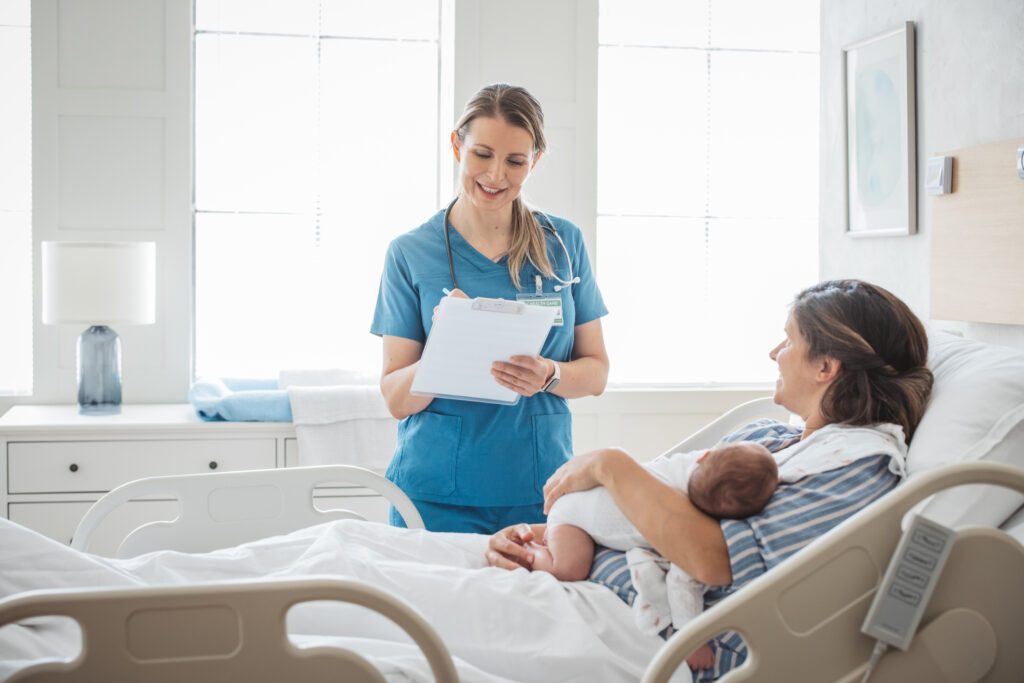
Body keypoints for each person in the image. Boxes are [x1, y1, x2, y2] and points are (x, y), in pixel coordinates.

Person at [486, 279, 934, 679]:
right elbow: (646, 513)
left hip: (645, 636)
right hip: (577, 588)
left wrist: (610, 463)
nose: (774, 354)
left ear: (826, 367)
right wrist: (541, 537)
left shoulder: (856, 469)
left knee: (424, 629)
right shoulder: (769, 436)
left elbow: (713, 560)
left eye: (789, 341)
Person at [371, 83, 609, 534]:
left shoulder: (563, 244)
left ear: (534, 161)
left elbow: (596, 372)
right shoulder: (410, 252)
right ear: (457, 145)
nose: (496, 175)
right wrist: (444, 346)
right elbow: (396, 399)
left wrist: (550, 375)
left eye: (515, 161)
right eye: (482, 154)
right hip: (435, 496)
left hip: (540, 489)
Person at [531, 440, 777, 672]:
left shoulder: (690, 468)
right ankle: (531, 554)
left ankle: (537, 542)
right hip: (571, 518)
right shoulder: (690, 519)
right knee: (568, 570)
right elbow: (682, 583)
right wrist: (690, 639)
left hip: (585, 493)